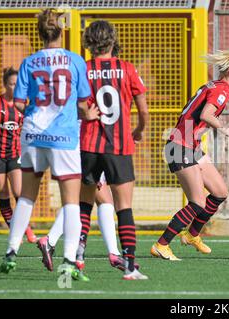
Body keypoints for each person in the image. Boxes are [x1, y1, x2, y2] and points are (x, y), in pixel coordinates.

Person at [0, 9, 98, 280]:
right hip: (63, 137)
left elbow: (18, 104)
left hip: (32, 134)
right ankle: (67, 261)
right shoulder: (75, 61)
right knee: (71, 202)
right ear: (62, 31)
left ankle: (10, 252)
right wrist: (87, 114)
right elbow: (81, 103)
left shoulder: (29, 62)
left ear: (39, 33)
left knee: (27, 196)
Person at [151, 49, 229, 261]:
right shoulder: (222, 89)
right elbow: (206, 114)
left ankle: (192, 234)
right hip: (180, 146)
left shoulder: (213, 86)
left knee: (220, 192)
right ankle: (162, 244)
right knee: (197, 203)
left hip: (190, 145)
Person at [78, 20, 149, 280]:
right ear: (112, 40)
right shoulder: (128, 69)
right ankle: (129, 265)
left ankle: (77, 256)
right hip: (119, 146)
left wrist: (86, 112)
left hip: (89, 145)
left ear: (89, 42)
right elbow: (143, 110)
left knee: (84, 204)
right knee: (124, 206)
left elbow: (78, 107)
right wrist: (140, 130)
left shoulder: (83, 70)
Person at [37, 173, 139, 273]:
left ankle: (50, 240)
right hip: (86, 159)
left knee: (101, 201)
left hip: (84, 159)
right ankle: (50, 240)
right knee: (78, 201)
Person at [0, 67, 36, 243]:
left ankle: (27, 228)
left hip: (15, 154)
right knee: (3, 193)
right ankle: (15, 231)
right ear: (5, 85)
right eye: (11, 84)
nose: (14, 87)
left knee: (19, 192)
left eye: (17, 84)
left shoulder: (24, 104)